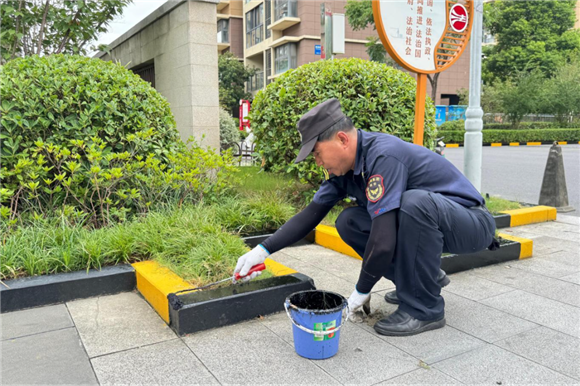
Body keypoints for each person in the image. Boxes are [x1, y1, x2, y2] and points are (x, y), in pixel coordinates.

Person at [234, 98, 497, 336]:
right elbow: (310, 215)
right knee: (349, 221)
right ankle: (417, 282)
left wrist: (361, 289)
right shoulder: (343, 171)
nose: (317, 162)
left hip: (471, 223)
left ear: (342, 140)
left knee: (413, 203)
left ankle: (425, 308)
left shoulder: (383, 155)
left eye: (317, 153)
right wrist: (261, 251)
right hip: (435, 223)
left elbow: (383, 240)